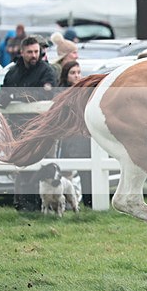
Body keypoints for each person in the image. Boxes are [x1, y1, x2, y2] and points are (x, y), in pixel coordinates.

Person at [0, 36, 57, 211]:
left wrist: (14, 96)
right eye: (30, 52)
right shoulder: (13, 72)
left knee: (43, 167)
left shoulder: (47, 71)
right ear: (22, 52)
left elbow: (45, 94)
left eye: (36, 51)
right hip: (18, 128)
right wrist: (2, 98)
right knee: (21, 166)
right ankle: (23, 205)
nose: (34, 55)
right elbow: (3, 91)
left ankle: (44, 206)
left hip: (41, 128)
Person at [57, 60, 91, 207]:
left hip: (83, 136)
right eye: (72, 73)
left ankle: (89, 203)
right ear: (66, 75)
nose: (77, 76)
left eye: (78, 72)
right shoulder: (60, 93)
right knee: (66, 171)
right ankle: (64, 203)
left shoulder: (85, 91)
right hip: (67, 136)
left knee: (87, 172)